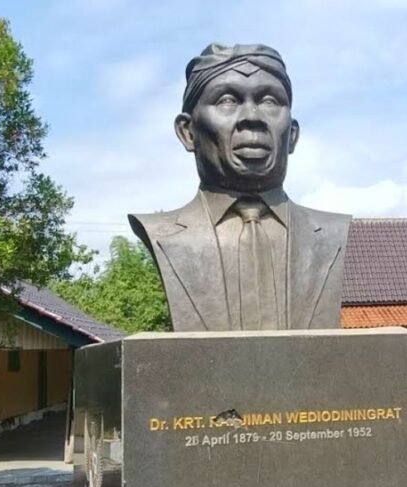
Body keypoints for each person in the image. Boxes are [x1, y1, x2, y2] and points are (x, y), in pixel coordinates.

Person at [129, 43, 350, 331]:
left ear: (292, 134)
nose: (253, 117)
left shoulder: (332, 235)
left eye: (270, 101)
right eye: (227, 100)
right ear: (188, 132)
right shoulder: (163, 235)